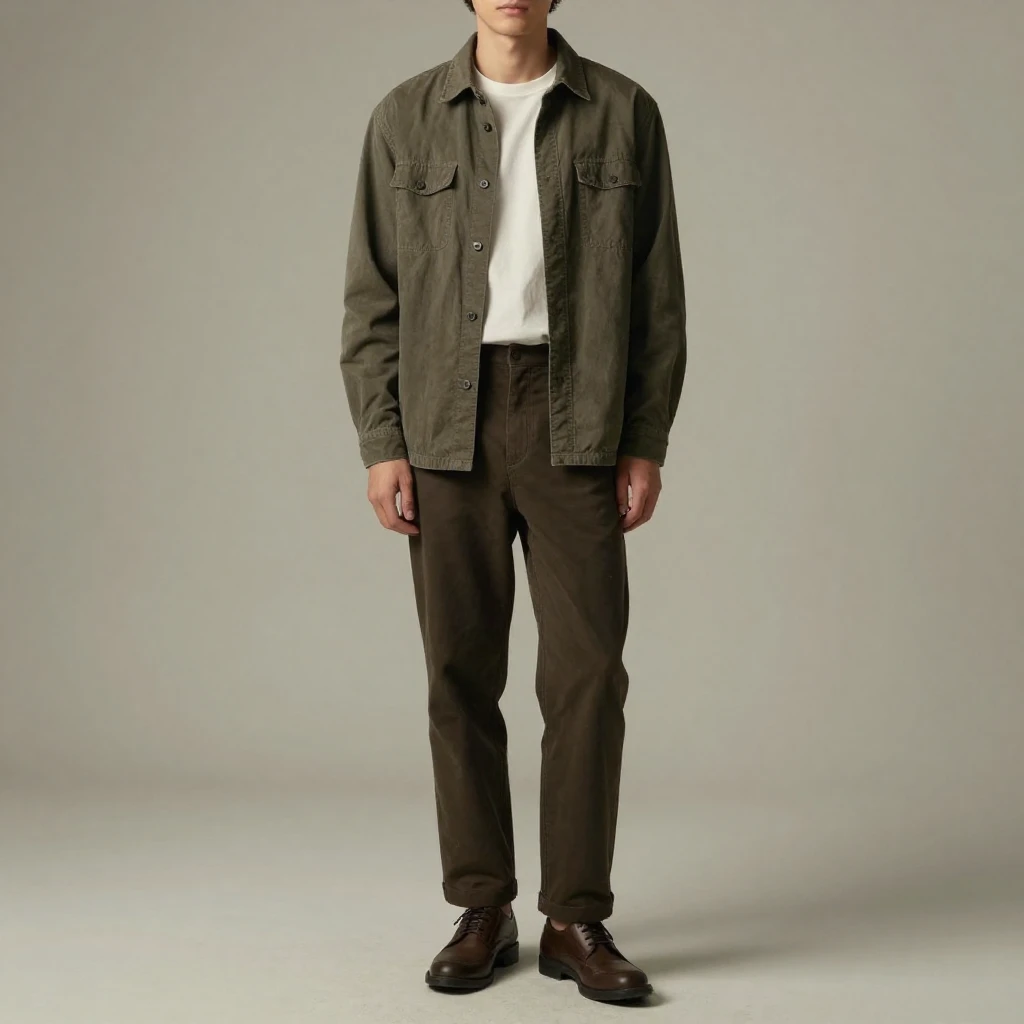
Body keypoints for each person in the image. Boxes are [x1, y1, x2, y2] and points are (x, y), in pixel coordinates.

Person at [340, 0, 685, 1003]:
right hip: (446, 419)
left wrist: (644, 436)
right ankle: (481, 908)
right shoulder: (404, 117)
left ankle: (575, 916)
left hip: (577, 411)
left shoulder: (624, 111)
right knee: (458, 671)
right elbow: (371, 296)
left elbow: (656, 293)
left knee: (588, 676)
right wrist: (383, 440)